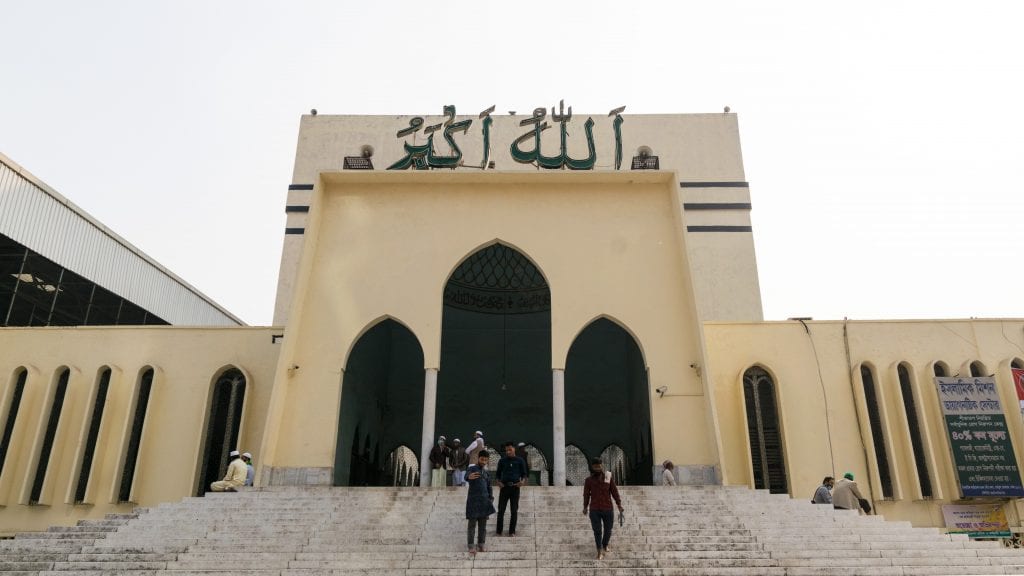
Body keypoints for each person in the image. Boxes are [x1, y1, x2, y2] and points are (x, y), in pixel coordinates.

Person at [583, 457, 623, 560]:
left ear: (602, 465)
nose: (597, 468)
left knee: (608, 530)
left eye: (599, 465)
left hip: (608, 508)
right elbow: (586, 495)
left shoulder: (608, 477)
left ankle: (605, 544)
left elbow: (614, 491)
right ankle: (599, 550)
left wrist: (619, 504)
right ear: (592, 467)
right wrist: (585, 506)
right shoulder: (588, 481)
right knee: (597, 531)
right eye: (595, 466)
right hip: (594, 509)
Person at [465, 450, 495, 554]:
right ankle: (471, 546)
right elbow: (467, 476)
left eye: (486, 460)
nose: (483, 461)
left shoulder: (486, 473)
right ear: (478, 458)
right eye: (482, 459)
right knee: (472, 525)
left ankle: (481, 544)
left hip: (484, 502)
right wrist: (469, 477)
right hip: (473, 502)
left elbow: (489, 486)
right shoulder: (471, 468)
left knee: (483, 526)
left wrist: (491, 498)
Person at [495, 442, 528, 536]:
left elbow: (524, 474)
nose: (508, 452)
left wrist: (522, 482)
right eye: (506, 450)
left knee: (514, 510)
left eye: (510, 449)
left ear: (514, 449)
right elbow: (497, 474)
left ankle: (512, 531)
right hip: (504, 487)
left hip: (515, 488)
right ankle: (498, 531)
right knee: (501, 510)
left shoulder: (520, 460)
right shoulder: (502, 461)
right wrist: (498, 482)